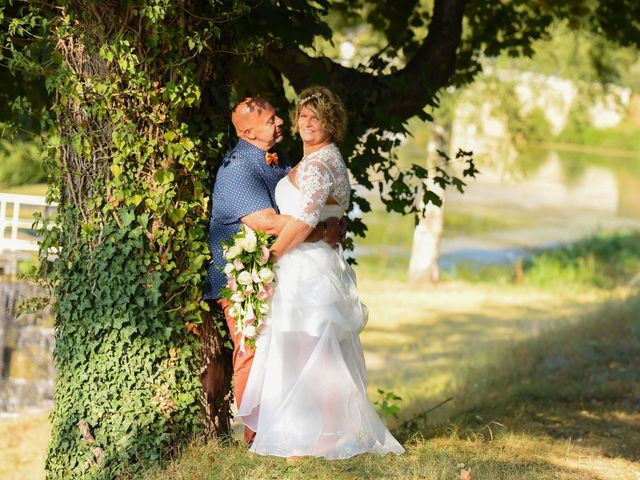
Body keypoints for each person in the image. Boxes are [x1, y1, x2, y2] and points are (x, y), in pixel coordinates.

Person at [236, 86, 405, 458]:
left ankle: (328, 437)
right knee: (304, 350)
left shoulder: (317, 164)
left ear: (332, 122)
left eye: (317, 117)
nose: (309, 123)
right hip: (310, 261)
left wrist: (272, 254)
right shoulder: (325, 159)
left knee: (317, 352)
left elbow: (304, 219)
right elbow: (317, 218)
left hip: (308, 265)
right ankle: (307, 433)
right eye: (304, 116)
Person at [202, 97, 343, 444]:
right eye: (270, 119)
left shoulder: (276, 161)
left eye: (278, 116)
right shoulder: (238, 169)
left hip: (270, 272)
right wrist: (322, 229)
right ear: (248, 131)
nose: (281, 121)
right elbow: (268, 223)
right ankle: (256, 437)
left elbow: (302, 202)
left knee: (278, 351)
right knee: (252, 352)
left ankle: (293, 429)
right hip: (241, 280)